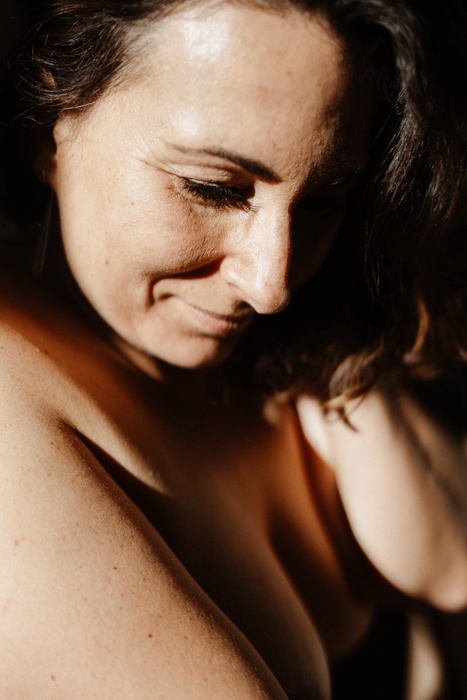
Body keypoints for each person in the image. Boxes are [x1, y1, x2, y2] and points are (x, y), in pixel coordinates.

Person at [0, 0, 467, 697]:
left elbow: (447, 562)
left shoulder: (278, 361)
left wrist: (340, 362)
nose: (270, 284)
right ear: (53, 120)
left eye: (321, 201)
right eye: (211, 188)